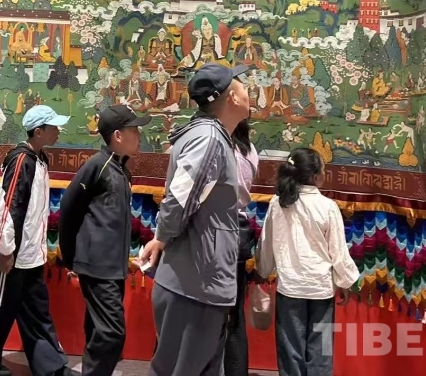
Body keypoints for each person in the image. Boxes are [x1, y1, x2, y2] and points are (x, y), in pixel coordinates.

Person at [140, 63, 252, 376]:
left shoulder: (210, 135)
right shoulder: (209, 139)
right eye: (243, 86)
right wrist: (162, 237)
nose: (249, 92)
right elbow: (180, 198)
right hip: (195, 283)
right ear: (232, 97)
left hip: (198, 277)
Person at [0, 105, 73, 376]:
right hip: (11, 255)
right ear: (38, 131)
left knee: (37, 311)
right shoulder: (22, 161)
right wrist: (5, 250)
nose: (58, 131)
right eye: (53, 127)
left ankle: (51, 367)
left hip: (30, 255)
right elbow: (9, 205)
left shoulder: (39, 159)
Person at [58, 104, 152, 376]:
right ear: (118, 136)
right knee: (112, 332)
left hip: (113, 267)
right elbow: (68, 208)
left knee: (98, 330)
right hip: (96, 265)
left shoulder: (122, 169)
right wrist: (71, 256)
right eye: (134, 130)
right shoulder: (97, 165)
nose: (139, 136)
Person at [256, 147, 360, 376]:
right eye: (323, 168)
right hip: (321, 289)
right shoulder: (327, 206)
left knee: (290, 351)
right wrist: (345, 281)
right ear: (314, 176)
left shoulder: (278, 203)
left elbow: (267, 243)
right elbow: (338, 251)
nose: (325, 173)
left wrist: (262, 270)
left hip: (290, 288)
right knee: (321, 351)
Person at [224, 120, 260, 376]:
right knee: (234, 314)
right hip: (239, 230)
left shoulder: (221, 148)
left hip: (216, 230)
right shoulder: (249, 150)